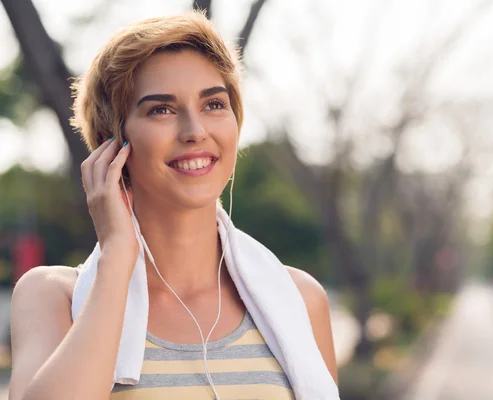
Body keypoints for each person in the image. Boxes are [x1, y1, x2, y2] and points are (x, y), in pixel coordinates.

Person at [8, 11, 337, 400]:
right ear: (113, 143)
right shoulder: (54, 297)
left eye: (214, 104)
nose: (195, 131)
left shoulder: (300, 298)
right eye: (161, 109)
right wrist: (116, 258)